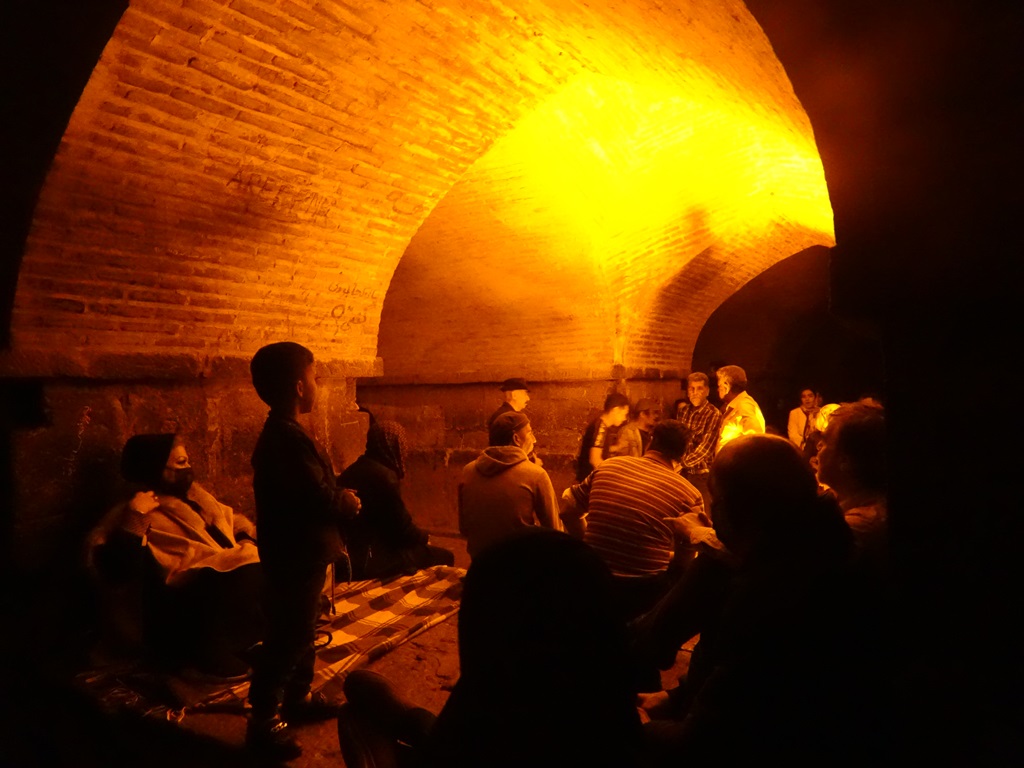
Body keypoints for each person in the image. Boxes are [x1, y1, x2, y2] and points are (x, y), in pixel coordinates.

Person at [634, 435, 866, 764]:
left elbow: (707, 738)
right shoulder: (822, 548)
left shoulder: (772, 597)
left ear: (734, 511)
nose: (712, 514)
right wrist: (677, 694)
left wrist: (639, 727)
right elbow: (737, 686)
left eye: (715, 501)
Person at [338, 529, 645, 768]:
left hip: (466, 749)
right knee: (366, 691)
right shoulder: (610, 712)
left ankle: (400, 737)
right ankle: (408, 720)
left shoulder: (489, 702)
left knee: (358, 715)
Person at [245, 341, 362, 759]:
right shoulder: (286, 439)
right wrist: (344, 501)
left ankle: (297, 697)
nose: (318, 384)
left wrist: (333, 493)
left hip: (298, 550)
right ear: (298, 386)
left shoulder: (284, 433)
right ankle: (263, 719)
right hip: (296, 553)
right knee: (289, 634)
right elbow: (315, 496)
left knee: (305, 625)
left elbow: (308, 489)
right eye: (315, 376)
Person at [86, 433, 263, 678]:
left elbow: (228, 527)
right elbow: (121, 571)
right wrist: (136, 518)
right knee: (238, 572)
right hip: (172, 602)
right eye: (180, 463)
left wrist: (246, 540)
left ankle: (244, 641)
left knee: (261, 564)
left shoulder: (197, 498)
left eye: (187, 461)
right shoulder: (137, 510)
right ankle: (207, 654)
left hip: (215, 574)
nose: (188, 469)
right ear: (156, 469)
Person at [562, 420, 705, 620]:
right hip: (640, 592)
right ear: (683, 456)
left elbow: (567, 509)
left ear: (650, 443)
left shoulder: (609, 466)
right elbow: (683, 562)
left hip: (591, 577)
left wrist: (587, 543)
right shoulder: (690, 494)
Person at [338, 418, 454, 579]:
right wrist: (425, 538)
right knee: (445, 556)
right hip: (371, 560)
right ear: (395, 445)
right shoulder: (385, 477)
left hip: (353, 555)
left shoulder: (355, 469)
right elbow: (402, 530)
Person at [458, 411, 561, 559]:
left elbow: (464, 528)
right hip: (519, 568)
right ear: (516, 439)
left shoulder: (468, 471)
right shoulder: (536, 474)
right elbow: (555, 532)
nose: (535, 439)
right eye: (530, 433)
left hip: (480, 567)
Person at [674, 372, 723, 513]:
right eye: (691, 388)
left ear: (707, 391)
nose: (695, 393)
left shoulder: (713, 414)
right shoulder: (683, 411)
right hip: (682, 472)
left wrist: (681, 464)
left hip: (701, 475)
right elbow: (678, 438)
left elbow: (706, 448)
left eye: (699, 388)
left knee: (703, 513)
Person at [576, 392, 631, 481]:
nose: (624, 418)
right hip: (590, 482)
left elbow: (598, 447)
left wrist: (617, 448)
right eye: (624, 414)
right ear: (615, 410)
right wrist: (612, 476)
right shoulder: (601, 427)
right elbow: (594, 459)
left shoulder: (602, 426)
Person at [714, 365, 765, 453]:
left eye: (719, 385)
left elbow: (755, 439)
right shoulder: (736, 405)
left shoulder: (744, 406)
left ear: (726, 386)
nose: (718, 389)